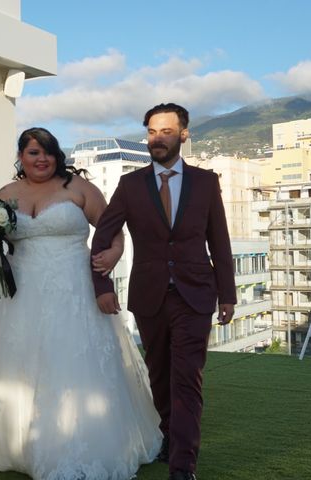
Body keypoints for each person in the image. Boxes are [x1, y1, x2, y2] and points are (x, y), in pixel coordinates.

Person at [0, 127, 162, 480]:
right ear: (21, 157)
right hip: (20, 293)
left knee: (69, 357)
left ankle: (81, 439)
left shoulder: (78, 189)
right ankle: (21, 443)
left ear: (57, 155)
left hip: (73, 289)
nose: (41, 159)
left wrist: (113, 256)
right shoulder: (6, 194)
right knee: (25, 359)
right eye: (32, 152)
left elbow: (113, 232)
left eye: (47, 152)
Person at [90, 103, 236, 480]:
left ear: (184, 135)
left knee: (187, 377)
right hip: (149, 294)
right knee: (159, 375)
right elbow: (103, 235)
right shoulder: (130, 184)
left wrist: (228, 294)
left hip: (196, 295)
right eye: (152, 132)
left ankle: (183, 465)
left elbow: (218, 240)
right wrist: (102, 285)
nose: (157, 139)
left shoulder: (206, 181)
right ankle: (170, 436)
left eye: (166, 132)